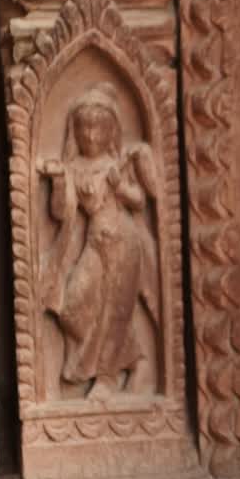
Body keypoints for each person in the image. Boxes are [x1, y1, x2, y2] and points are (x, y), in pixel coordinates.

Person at [39, 83, 160, 400]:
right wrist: (58, 180)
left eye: (98, 129)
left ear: (111, 131)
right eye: (84, 129)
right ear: (74, 131)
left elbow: (139, 201)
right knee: (73, 308)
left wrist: (120, 186)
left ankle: (106, 378)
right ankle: (133, 359)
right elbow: (62, 212)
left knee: (115, 311)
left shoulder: (115, 165)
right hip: (95, 244)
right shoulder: (75, 167)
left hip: (124, 242)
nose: (91, 136)